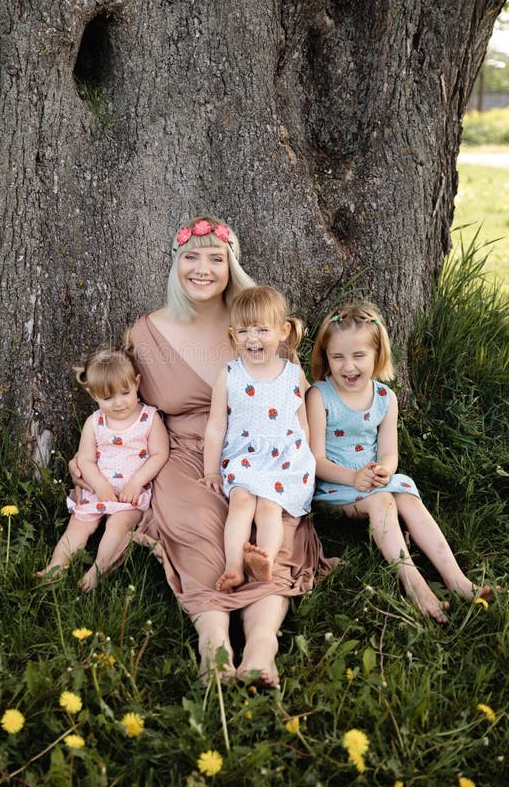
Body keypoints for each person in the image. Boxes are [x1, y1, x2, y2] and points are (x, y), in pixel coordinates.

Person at [70, 216, 336, 686]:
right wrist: (92, 455)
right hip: (186, 454)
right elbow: (128, 409)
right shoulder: (148, 333)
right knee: (197, 533)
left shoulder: (256, 323)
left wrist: (314, 462)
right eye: (192, 257)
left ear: (231, 265)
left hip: (268, 452)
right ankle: (213, 647)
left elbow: (295, 400)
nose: (203, 269)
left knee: (273, 536)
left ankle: (260, 649)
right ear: (176, 263)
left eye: (217, 258)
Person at [306, 302, 495, 623]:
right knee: (381, 501)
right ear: (326, 357)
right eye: (337, 357)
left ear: (377, 354)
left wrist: (385, 471)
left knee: (406, 495)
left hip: (372, 479)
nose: (348, 366)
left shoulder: (385, 398)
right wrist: (354, 478)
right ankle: (415, 584)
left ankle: (458, 580)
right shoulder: (320, 396)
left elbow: (389, 453)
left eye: (358, 356)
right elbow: (315, 460)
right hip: (335, 487)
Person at [203, 286, 315, 593]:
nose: (253, 339)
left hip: (285, 459)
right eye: (244, 331)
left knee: (269, 507)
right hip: (245, 457)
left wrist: (309, 458)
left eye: (262, 330)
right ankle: (233, 568)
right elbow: (215, 425)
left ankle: (265, 559)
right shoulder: (229, 374)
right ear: (232, 335)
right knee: (240, 502)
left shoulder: (293, 373)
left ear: (282, 331)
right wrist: (211, 470)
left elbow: (303, 420)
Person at [37, 346, 169, 592]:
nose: (118, 403)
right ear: (92, 393)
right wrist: (98, 485)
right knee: (78, 524)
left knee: (118, 526)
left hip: (131, 495)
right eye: (108, 398)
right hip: (98, 490)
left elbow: (160, 454)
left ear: (137, 383)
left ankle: (98, 570)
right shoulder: (95, 422)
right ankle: (56, 565)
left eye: (125, 393)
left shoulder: (149, 418)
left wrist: (137, 482)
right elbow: (86, 460)